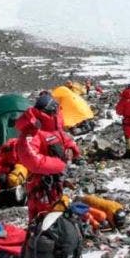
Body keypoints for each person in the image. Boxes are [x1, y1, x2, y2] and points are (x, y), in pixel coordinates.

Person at [15, 92, 81, 221]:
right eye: (55, 108)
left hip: (55, 182)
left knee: (56, 212)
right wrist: (59, 164)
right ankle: (41, 238)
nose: (58, 110)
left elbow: (65, 139)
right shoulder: (32, 131)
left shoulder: (53, 127)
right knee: (42, 217)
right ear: (49, 111)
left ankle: (56, 236)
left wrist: (71, 148)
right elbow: (31, 159)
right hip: (41, 184)